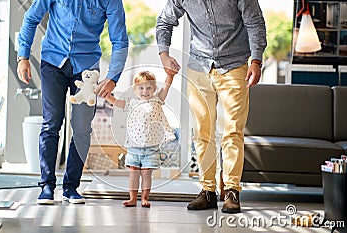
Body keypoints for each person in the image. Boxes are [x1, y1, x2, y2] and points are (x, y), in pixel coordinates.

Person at [156, 0, 267, 213]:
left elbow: (255, 23)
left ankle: (232, 190)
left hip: (235, 67)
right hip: (199, 68)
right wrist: (164, 54)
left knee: (233, 131)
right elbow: (164, 21)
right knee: (202, 132)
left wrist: (256, 61)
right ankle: (207, 191)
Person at [17, 0, 129, 205]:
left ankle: (71, 187)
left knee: (81, 128)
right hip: (53, 62)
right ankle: (47, 185)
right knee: (52, 122)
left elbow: (120, 40)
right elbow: (31, 18)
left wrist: (113, 77)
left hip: (87, 69)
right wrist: (23, 56)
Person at [104, 71, 176, 208]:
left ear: (154, 89)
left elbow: (166, 87)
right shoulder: (132, 103)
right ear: (135, 90)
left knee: (147, 174)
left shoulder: (157, 100)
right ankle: (132, 198)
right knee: (134, 174)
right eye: (141, 88)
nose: (145, 91)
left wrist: (170, 77)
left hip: (151, 147)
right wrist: (108, 97)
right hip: (134, 147)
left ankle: (144, 198)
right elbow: (117, 103)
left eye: (149, 88)